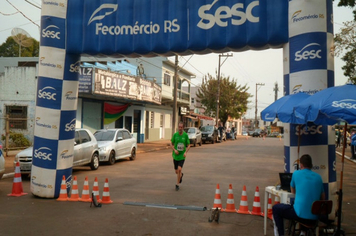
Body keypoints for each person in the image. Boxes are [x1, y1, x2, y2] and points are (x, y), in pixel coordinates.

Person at [272, 154, 325, 236]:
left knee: (276, 208)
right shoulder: (319, 177)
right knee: (304, 207)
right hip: (315, 217)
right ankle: (303, 232)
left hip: (299, 215)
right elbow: (323, 198)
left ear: (301, 165)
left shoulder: (296, 174)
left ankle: (280, 234)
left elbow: (293, 192)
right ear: (311, 165)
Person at [170, 121, 190, 191]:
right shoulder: (175, 135)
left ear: (183, 128)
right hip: (175, 156)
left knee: (179, 169)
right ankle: (180, 175)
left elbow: (189, 145)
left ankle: (177, 184)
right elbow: (171, 144)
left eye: (181, 127)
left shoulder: (185, 135)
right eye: (179, 127)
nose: (180, 128)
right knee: (176, 171)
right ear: (178, 127)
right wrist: (174, 150)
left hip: (182, 156)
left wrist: (185, 152)